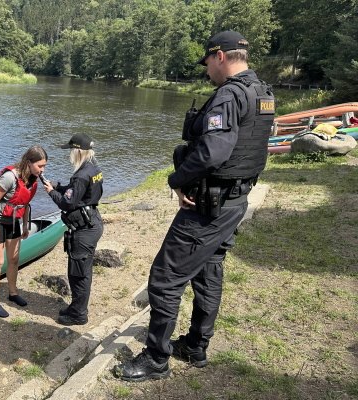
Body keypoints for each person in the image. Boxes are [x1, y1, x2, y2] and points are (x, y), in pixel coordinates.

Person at [114, 31, 275, 380]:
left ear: (220, 56)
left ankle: (157, 358)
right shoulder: (262, 92)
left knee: (164, 279)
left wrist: (177, 181)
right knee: (208, 269)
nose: (207, 72)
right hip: (235, 200)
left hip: (209, 205)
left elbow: (213, 151)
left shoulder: (230, 95)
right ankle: (197, 345)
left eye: (208, 63)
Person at [43, 133, 104, 325]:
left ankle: (79, 315)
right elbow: (76, 193)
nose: (69, 154)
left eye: (71, 150)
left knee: (78, 274)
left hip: (83, 231)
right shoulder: (93, 168)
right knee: (82, 271)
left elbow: (67, 203)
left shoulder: (80, 175)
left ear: (77, 151)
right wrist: (58, 186)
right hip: (93, 222)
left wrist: (51, 192)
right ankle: (76, 307)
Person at [0, 145, 48, 318]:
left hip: (14, 220)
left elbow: (25, 203)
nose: (42, 170)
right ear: (28, 162)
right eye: (40, 166)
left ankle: (13, 293)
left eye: (44, 166)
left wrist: (26, 225)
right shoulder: (9, 177)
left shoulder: (33, 180)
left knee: (14, 259)